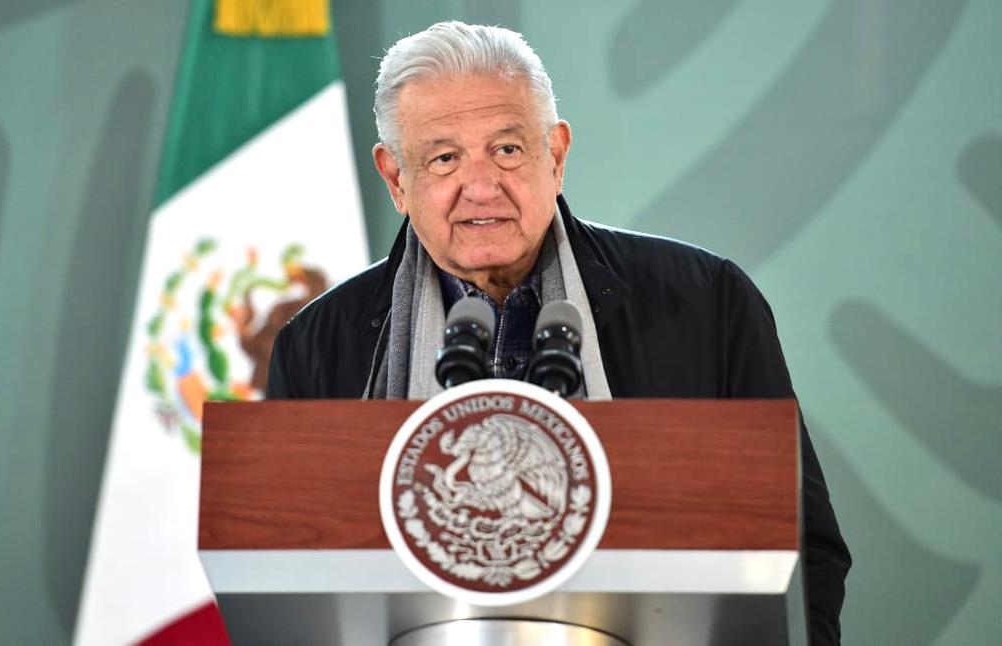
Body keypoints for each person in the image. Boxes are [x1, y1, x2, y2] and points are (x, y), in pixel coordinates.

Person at [267, 20, 850, 644]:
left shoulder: (707, 303)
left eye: (507, 149)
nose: (481, 187)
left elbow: (800, 549)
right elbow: (289, 578)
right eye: (444, 158)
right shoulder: (316, 349)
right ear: (396, 179)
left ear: (556, 155)